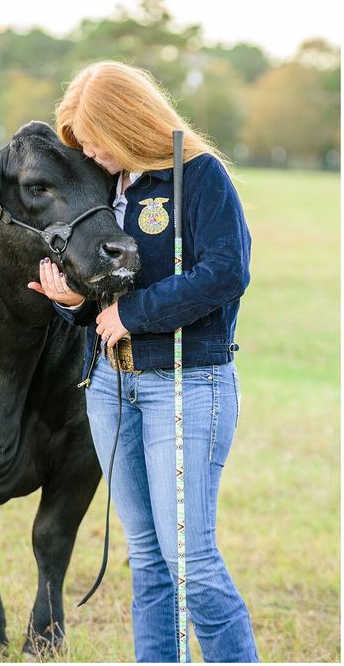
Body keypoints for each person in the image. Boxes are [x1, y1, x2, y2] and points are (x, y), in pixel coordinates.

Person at [28, 60, 260, 663]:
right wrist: (76, 302)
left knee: (191, 558)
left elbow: (227, 273)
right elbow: (104, 302)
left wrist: (134, 315)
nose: (91, 155)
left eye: (95, 140)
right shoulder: (108, 189)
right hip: (111, 386)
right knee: (149, 558)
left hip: (187, 385)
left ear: (126, 123)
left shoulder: (199, 176)